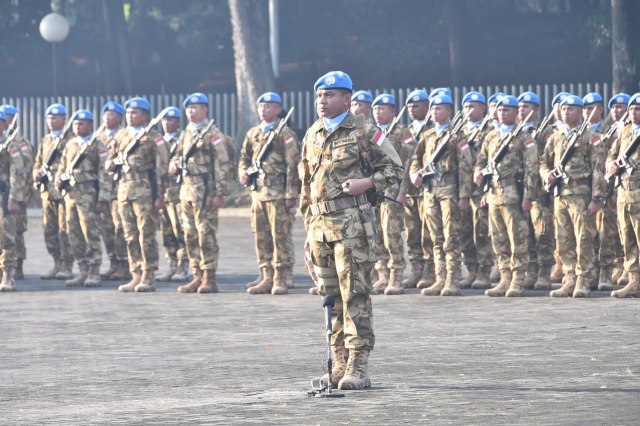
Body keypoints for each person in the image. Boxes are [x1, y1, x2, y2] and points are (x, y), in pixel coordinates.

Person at [300, 71, 402, 390]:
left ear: (347, 99)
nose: (322, 101)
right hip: (320, 229)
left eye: (330, 95)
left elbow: (395, 168)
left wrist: (366, 183)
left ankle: (358, 364)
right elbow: (306, 186)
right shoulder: (312, 133)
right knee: (330, 297)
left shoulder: (363, 130)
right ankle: (338, 360)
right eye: (319, 96)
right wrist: (307, 230)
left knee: (354, 294)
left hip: (352, 228)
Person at [540, 95, 606, 298]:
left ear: (580, 112)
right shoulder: (556, 136)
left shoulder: (590, 137)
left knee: (584, 238)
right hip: (561, 195)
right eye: (564, 109)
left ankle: (584, 279)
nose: (566, 112)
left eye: (571, 109)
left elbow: (598, 169)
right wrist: (546, 175)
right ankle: (569, 278)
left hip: (581, 194)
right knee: (563, 239)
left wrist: (596, 198)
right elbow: (544, 162)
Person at [474, 95, 539, 297]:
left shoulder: (524, 137)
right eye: (500, 110)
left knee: (517, 239)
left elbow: (532, 169)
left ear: (516, 113)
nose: (502, 114)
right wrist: (479, 176)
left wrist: (528, 196)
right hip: (494, 194)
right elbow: (481, 161)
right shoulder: (491, 136)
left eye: (507, 110)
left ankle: (518, 279)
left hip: (513, 194)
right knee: (499, 239)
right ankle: (504, 277)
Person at [169, 93, 232, 294]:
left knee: (206, 234)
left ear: (205, 110)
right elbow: (177, 154)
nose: (191, 111)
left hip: (205, 191)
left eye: (195, 108)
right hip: (186, 190)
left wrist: (220, 192)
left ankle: (209, 277)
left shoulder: (212, 134)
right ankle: (196, 275)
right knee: (189, 234)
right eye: (188, 108)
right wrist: (174, 164)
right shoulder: (186, 133)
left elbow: (222, 164)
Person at [409, 94, 472, 296]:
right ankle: (440, 277)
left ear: (449, 112)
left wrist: (464, 196)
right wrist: (414, 174)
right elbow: (416, 160)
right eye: (433, 109)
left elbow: (465, 167)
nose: (435, 113)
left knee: (450, 236)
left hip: (449, 191)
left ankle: (453, 279)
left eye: (440, 109)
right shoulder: (427, 135)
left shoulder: (457, 136)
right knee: (435, 237)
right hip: (430, 191)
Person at [239, 92, 301, 295]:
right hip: (258, 193)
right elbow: (244, 157)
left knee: (280, 237)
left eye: (269, 106)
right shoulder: (253, 133)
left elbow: (293, 165)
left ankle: (281, 278)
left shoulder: (286, 134)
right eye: (261, 106)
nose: (264, 110)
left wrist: (291, 194)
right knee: (261, 236)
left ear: (278, 109)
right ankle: (266, 276)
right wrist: (243, 172)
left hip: (278, 193)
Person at [106, 97, 168, 292]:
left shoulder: (153, 137)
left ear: (145, 115)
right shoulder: (121, 135)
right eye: (129, 113)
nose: (131, 116)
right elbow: (111, 157)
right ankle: (136, 274)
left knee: (146, 234)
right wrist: (110, 164)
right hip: (124, 189)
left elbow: (162, 167)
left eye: (135, 113)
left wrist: (160, 195)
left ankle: (149, 275)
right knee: (129, 235)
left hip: (145, 190)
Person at [55, 110, 111, 287]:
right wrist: (58, 178)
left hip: (88, 194)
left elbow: (104, 173)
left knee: (90, 233)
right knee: (73, 233)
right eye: (76, 124)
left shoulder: (97, 145)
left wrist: (103, 198)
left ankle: (94, 271)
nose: (78, 127)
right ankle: (83, 270)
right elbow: (62, 166)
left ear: (90, 126)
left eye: (82, 124)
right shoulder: (70, 143)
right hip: (71, 194)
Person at [370, 93, 414, 295]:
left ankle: (396, 276)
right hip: (373, 190)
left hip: (393, 190)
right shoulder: (369, 132)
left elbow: (408, 164)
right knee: (376, 233)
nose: (378, 112)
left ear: (392, 111)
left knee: (392, 234)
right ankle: (383, 275)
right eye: (376, 109)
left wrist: (403, 192)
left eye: (383, 109)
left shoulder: (402, 132)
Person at [517, 91, 555, 290]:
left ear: (536, 109)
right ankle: (530, 270)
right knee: (526, 234)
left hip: (539, 190)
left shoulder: (544, 130)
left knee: (542, 232)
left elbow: (546, 158)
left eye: (527, 106)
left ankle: (544, 272)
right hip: (518, 189)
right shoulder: (514, 132)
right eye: (520, 106)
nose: (522, 110)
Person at [32, 104, 74, 280]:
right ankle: (56, 262)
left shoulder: (70, 140)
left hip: (63, 191)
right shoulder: (46, 140)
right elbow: (38, 161)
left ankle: (67, 265)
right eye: (49, 118)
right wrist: (36, 173)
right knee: (49, 229)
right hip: (47, 192)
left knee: (65, 229)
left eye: (56, 118)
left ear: (64, 120)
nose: (52, 121)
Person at [399, 89, 435, 289]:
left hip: (427, 189)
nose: (412, 109)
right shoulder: (405, 131)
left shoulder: (433, 129)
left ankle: (430, 271)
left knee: (428, 233)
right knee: (412, 232)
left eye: (417, 105)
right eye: (410, 106)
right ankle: (416, 269)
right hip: (409, 189)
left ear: (427, 107)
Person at [459, 91, 494, 288]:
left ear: (483, 108)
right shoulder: (458, 132)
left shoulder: (489, 131)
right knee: (464, 232)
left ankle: (485, 271)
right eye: (466, 106)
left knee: (482, 232)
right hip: (463, 190)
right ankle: (471, 269)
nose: (469, 110)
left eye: (473, 106)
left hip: (481, 190)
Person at [607, 93, 640, 298]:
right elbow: (613, 153)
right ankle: (634, 280)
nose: (634, 113)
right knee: (626, 237)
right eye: (632, 109)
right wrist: (610, 164)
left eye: (638, 109)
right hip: (624, 192)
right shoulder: (625, 131)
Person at [97, 101, 130, 281]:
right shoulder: (97, 137)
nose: (108, 117)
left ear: (119, 117)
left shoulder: (124, 135)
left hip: (118, 189)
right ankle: (113, 262)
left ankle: (124, 264)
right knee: (106, 229)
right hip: (103, 191)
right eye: (106, 114)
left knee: (120, 228)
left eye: (112, 114)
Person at [157, 106, 189, 282]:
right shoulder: (158, 140)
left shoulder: (183, 138)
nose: (167, 123)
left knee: (180, 230)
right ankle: (171, 264)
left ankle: (182, 266)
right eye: (164, 120)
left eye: (170, 120)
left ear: (177, 122)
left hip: (177, 192)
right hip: (162, 193)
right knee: (166, 231)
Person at [0, 105, 32, 280]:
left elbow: (18, 172)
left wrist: (14, 198)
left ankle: (8, 274)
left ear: (3, 125)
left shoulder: (11, 145)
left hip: (4, 195)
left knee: (7, 236)